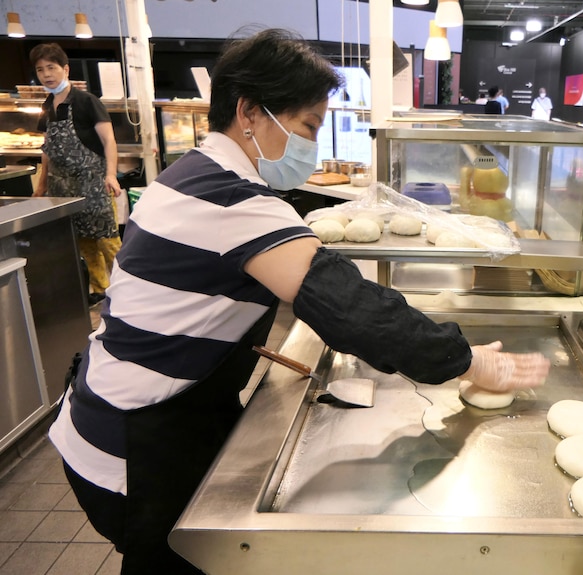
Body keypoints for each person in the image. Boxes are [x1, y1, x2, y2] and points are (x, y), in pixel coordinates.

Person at [49, 29, 550, 575]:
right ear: (248, 112)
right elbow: (351, 307)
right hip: (135, 449)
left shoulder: (187, 175)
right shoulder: (232, 200)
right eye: (308, 125)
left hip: (112, 412)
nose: (311, 144)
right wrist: (470, 361)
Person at [30, 43, 123, 306]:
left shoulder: (86, 101)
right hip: (62, 190)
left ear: (65, 68)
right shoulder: (47, 106)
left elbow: (109, 141)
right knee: (83, 244)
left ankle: (131, 288)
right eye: (40, 70)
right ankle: (100, 290)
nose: (47, 74)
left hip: (93, 183)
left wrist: (112, 175)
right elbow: (46, 150)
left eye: (51, 67)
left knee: (108, 242)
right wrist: (41, 186)